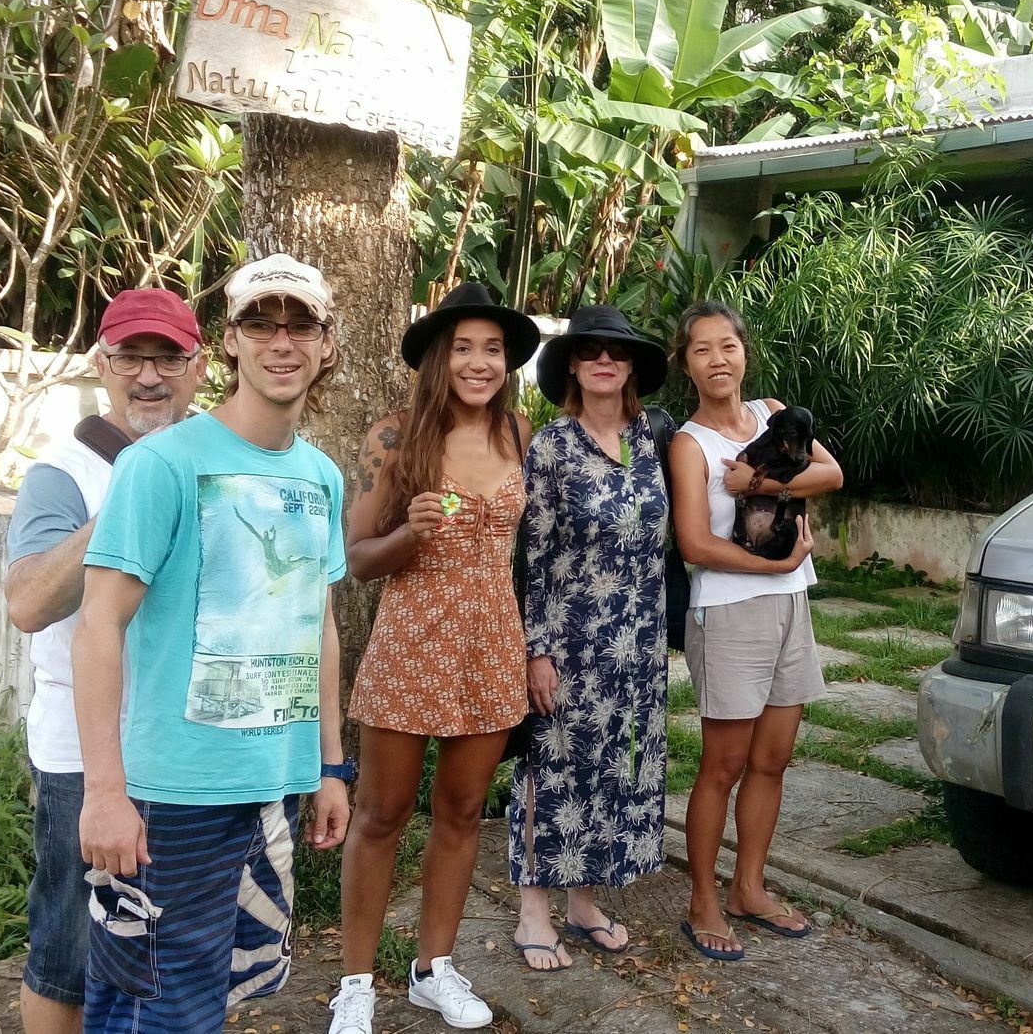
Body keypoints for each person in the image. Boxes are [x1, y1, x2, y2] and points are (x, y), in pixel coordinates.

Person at [70, 253, 353, 1034]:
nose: (282, 342)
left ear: (329, 344)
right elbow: (98, 624)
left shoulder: (322, 476)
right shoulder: (162, 464)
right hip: (173, 793)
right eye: (262, 322)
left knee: (212, 994)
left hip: (271, 785)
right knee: (152, 1004)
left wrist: (329, 764)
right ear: (230, 341)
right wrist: (104, 790)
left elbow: (317, 622)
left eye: (302, 325)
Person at [329, 281, 540, 1033]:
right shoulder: (395, 437)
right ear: (437, 359)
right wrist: (408, 534)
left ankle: (434, 968)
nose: (479, 362)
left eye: (492, 348)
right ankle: (356, 982)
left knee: (459, 813)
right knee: (381, 814)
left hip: (490, 642)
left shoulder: (518, 430)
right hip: (411, 642)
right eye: (463, 348)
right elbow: (356, 559)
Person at [5, 288, 204, 1034]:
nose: (149, 376)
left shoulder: (206, 461)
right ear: (102, 363)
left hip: (182, 754)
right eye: (131, 357)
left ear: (198, 365)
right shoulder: (64, 474)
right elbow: (27, 603)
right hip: (84, 763)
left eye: (167, 358)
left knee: (162, 948)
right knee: (69, 949)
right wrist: (129, 496)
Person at [668, 301, 842, 960]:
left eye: (727, 346)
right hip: (731, 609)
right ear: (686, 364)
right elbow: (694, 543)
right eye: (702, 349)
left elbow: (833, 472)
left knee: (773, 759)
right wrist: (783, 560)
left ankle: (749, 886)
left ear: (744, 353)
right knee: (724, 764)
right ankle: (703, 899)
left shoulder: (774, 413)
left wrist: (761, 478)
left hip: (792, 605)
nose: (717, 358)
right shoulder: (690, 444)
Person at [506, 305, 672, 972]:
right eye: (591, 350)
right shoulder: (551, 445)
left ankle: (582, 900)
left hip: (638, 642)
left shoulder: (654, 438)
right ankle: (532, 910)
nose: (605, 359)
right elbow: (534, 554)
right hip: (570, 639)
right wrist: (535, 650)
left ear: (631, 366)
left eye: (618, 351)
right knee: (550, 768)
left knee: (613, 769)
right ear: (573, 363)